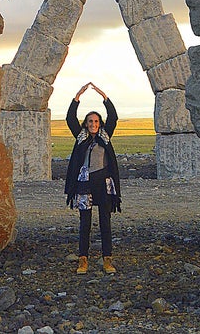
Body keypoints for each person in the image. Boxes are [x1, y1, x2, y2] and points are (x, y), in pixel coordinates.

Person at [64, 81, 122, 274]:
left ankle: (107, 260)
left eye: (96, 121)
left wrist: (104, 97)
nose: (93, 124)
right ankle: (83, 260)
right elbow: (70, 118)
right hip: (84, 185)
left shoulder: (106, 136)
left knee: (105, 222)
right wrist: (77, 97)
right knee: (85, 223)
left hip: (104, 184)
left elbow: (113, 117)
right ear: (86, 124)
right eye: (90, 122)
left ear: (100, 124)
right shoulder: (80, 137)